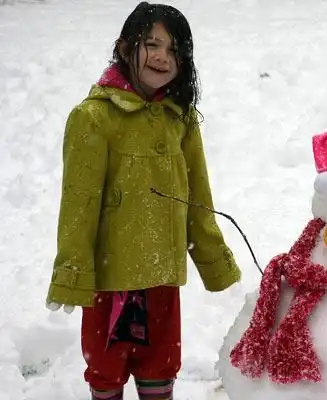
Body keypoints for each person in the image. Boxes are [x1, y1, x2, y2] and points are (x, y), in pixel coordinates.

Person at [45, 3, 241, 399]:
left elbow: (198, 198)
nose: (162, 57)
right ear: (124, 48)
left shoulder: (179, 118)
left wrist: (214, 263)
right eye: (151, 44)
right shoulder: (94, 117)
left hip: (163, 282)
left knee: (161, 367)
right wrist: (72, 272)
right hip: (110, 284)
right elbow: (79, 205)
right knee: (106, 370)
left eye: (174, 50)